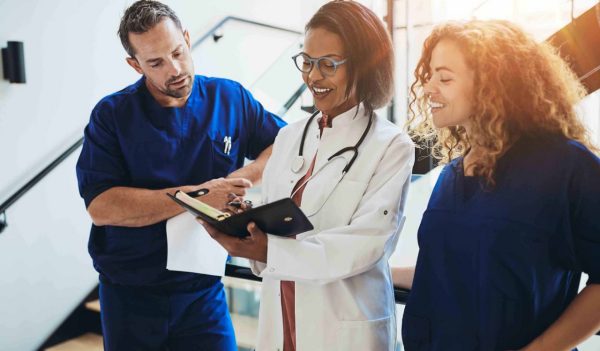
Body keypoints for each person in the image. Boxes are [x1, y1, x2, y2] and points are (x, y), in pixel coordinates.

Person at [200, 1, 415, 350]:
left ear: (363, 65)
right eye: (307, 61)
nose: (313, 76)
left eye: (328, 64)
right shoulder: (288, 137)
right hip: (282, 314)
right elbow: (274, 221)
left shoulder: (391, 146)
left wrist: (272, 250)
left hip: (344, 325)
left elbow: (367, 244)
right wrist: (244, 224)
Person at [75, 1, 286, 350]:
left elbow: (283, 144)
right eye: (156, 62)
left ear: (187, 39)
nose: (175, 69)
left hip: (203, 291)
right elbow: (102, 206)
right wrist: (198, 197)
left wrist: (239, 178)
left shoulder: (229, 97)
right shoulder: (112, 115)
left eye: (178, 51)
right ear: (135, 65)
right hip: (130, 295)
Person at [395, 20, 600, 351]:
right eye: (429, 75)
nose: (429, 87)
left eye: (444, 77)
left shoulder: (565, 166)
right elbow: (451, 267)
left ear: (492, 85)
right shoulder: (452, 174)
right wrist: (377, 273)